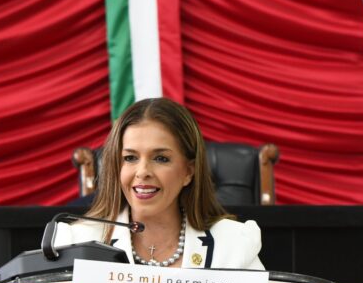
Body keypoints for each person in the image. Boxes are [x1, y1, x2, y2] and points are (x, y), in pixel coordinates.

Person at [54, 97, 264, 270]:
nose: (143, 172)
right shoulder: (76, 242)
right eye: (130, 158)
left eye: (161, 158)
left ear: (188, 172)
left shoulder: (235, 243)